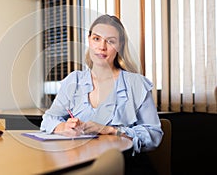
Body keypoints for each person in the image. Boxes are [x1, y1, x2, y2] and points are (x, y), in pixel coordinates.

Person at [40, 14, 163, 174]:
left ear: (119, 45)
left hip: (125, 165)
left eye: (110, 41)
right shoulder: (74, 80)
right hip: (79, 161)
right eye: (96, 39)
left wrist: (110, 130)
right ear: (89, 40)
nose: (102, 47)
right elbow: (48, 119)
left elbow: (154, 135)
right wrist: (63, 126)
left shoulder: (136, 84)